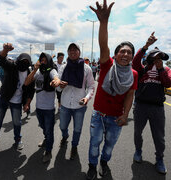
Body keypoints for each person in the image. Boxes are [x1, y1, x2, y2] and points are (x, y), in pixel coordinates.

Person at [86, 1, 138, 179]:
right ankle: (92, 166)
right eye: (122, 51)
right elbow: (103, 45)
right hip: (98, 114)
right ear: (115, 55)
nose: (125, 54)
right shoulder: (107, 65)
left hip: (116, 117)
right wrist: (103, 22)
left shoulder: (134, 74)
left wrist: (125, 115)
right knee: (94, 144)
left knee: (109, 145)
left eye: (129, 52)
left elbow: (130, 95)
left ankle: (104, 163)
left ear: (131, 56)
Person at [132, 32, 171, 174]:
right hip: (141, 106)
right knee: (137, 132)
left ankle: (159, 159)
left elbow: (168, 83)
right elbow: (135, 62)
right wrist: (146, 45)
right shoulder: (143, 68)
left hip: (158, 108)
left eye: (160, 57)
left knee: (159, 137)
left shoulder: (166, 70)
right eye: (155, 57)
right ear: (150, 58)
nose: (157, 59)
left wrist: (161, 69)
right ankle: (138, 151)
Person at [0, 43, 35, 152]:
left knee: (17, 122)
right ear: (18, 60)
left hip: (17, 101)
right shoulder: (12, 66)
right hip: (3, 97)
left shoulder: (29, 73)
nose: (24, 64)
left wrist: (27, 104)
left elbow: (31, 90)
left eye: (27, 62)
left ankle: (18, 140)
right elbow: (1, 60)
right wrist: (5, 50)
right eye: (22, 61)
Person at [57, 43, 95, 160]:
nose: (72, 52)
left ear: (79, 52)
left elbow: (91, 86)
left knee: (77, 129)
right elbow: (57, 87)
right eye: (70, 50)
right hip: (65, 104)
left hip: (80, 105)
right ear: (68, 52)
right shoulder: (63, 67)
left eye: (75, 50)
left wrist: (87, 97)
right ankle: (65, 136)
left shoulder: (86, 68)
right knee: (62, 126)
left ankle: (74, 146)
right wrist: (60, 86)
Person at [24, 52, 60, 163]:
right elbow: (26, 82)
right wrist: (34, 69)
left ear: (49, 61)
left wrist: (56, 82)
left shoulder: (52, 70)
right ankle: (46, 139)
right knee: (43, 127)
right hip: (38, 108)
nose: (43, 62)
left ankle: (48, 151)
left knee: (49, 130)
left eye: (45, 60)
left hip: (49, 108)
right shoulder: (38, 72)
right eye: (41, 60)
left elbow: (56, 78)